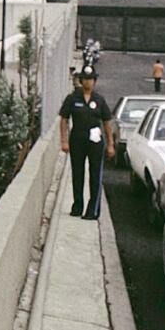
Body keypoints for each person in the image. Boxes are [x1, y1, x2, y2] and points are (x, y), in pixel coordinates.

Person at [58, 65, 115, 221]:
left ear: (94, 81)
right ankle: (77, 206)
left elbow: (107, 122)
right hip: (77, 139)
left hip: (95, 141)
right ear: (81, 80)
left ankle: (92, 210)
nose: (88, 82)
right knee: (78, 173)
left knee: (95, 175)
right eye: (85, 79)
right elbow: (64, 119)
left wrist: (110, 144)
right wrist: (64, 141)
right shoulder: (72, 98)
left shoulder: (99, 100)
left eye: (91, 80)